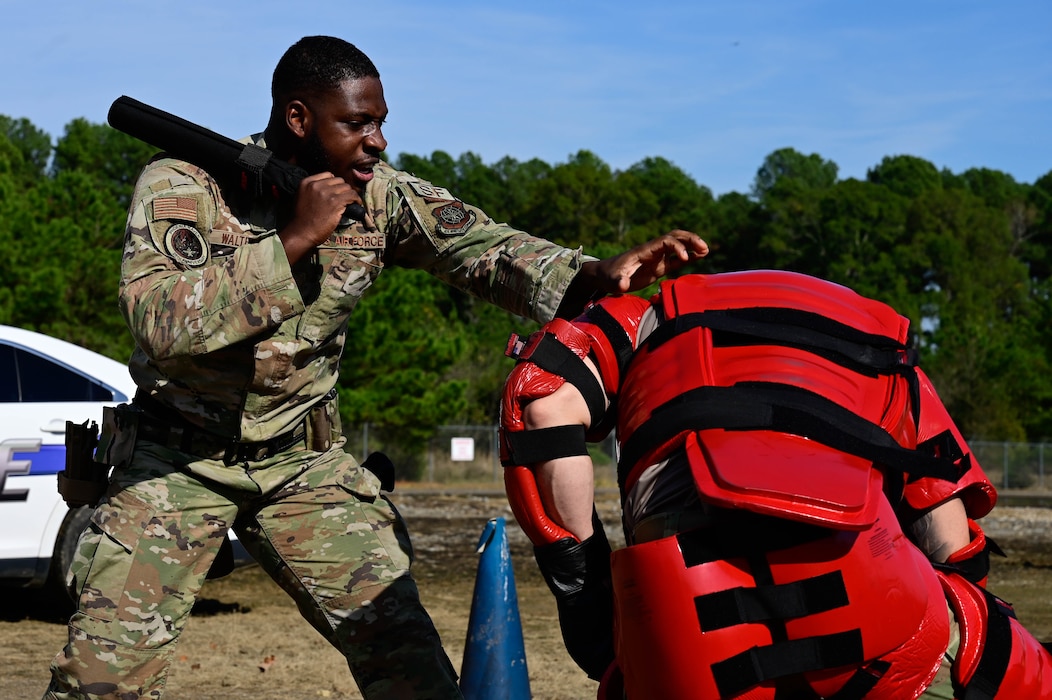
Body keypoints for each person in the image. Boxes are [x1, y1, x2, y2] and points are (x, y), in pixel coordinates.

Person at [43, 35, 708, 700]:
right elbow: (161, 324)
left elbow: (478, 246)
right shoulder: (182, 185)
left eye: (381, 122)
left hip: (302, 465)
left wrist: (593, 273)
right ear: (299, 118)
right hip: (176, 462)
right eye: (357, 123)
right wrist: (295, 238)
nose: (378, 141)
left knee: (411, 669)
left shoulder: (378, 197)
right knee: (100, 683)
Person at [499, 269, 1052, 699]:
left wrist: (585, 584)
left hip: (685, 609)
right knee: (1001, 657)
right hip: (867, 601)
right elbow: (951, 537)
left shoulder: (637, 320)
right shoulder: (883, 345)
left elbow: (543, 402)